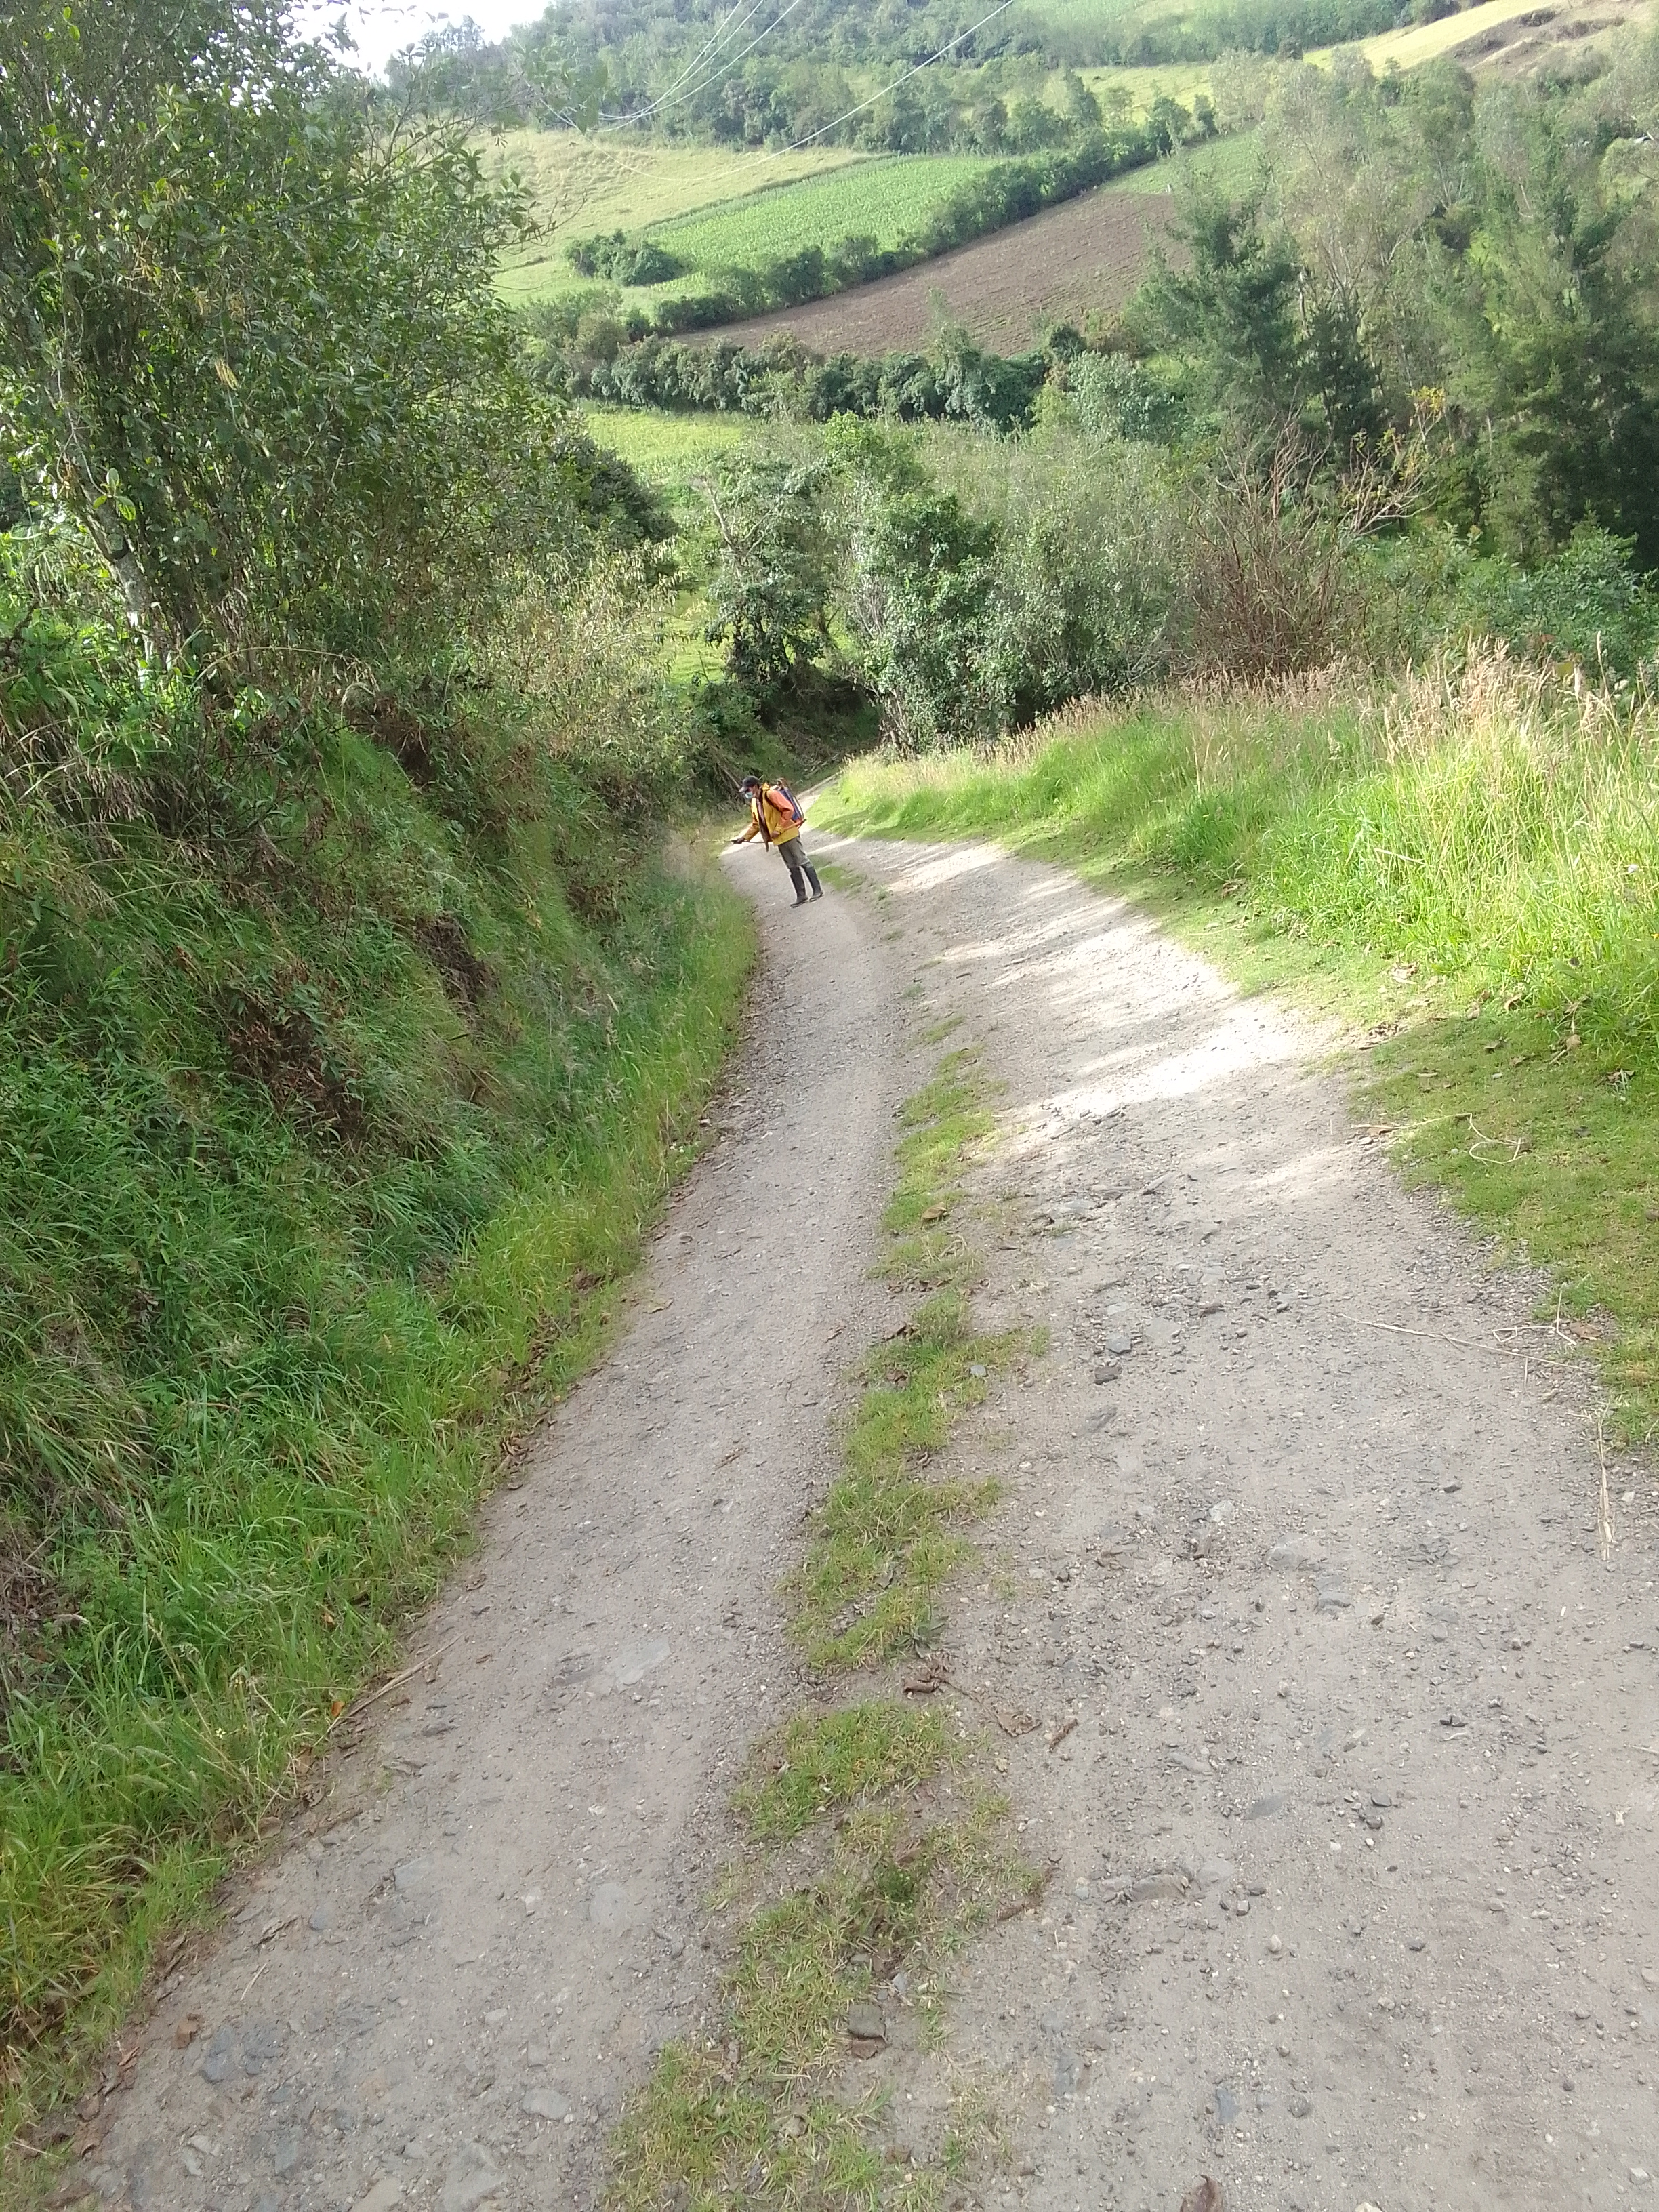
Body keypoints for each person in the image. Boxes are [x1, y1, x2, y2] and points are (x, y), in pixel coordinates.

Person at [731, 773, 823, 905]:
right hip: (779, 839)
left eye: (748, 790)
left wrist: (778, 829)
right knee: (792, 866)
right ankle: (801, 896)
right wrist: (744, 838)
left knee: (802, 861)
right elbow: (756, 824)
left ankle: (817, 890)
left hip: (789, 834)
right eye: (745, 791)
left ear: (756, 786)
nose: (747, 793)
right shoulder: (754, 803)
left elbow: (788, 810)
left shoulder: (771, 794)